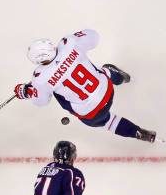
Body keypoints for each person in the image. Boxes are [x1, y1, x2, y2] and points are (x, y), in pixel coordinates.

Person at [14, 29, 156, 143]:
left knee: (106, 121)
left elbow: (41, 101)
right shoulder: (68, 43)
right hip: (107, 90)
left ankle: (137, 132)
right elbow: (94, 37)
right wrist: (75, 39)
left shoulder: (40, 77)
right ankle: (121, 78)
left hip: (91, 113)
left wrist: (27, 91)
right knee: (102, 71)